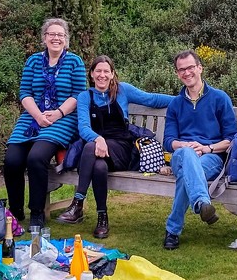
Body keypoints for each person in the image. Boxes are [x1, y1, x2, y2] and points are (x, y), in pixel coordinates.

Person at [56, 55, 174, 238]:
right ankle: (102, 218)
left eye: (106, 71)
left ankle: (78, 203)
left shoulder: (122, 90)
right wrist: (99, 139)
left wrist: (184, 98)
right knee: (98, 165)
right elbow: (84, 127)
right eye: (98, 71)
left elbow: (151, 99)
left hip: (121, 149)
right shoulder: (84, 97)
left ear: (112, 74)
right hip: (97, 151)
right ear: (92, 74)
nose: (102, 75)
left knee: (89, 148)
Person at [4, 18, 87, 229]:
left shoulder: (74, 62)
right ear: (44, 38)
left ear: (66, 39)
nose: (56, 38)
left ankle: (37, 212)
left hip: (63, 118)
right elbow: (25, 93)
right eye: (52, 34)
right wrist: (38, 115)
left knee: (36, 157)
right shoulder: (33, 61)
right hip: (32, 116)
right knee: (12, 160)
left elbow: (79, 94)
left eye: (60, 35)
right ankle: (15, 211)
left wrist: (58, 113)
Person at [161, 49, 237, 250]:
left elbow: (231, 139)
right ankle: (201, 202)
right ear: (177, 74)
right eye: (181, 70)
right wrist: (186, 146)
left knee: (188, 174)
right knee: (186, 156)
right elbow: (169, 141)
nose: (186, 73)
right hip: (180, 156)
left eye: (190, 67)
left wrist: (206, 148)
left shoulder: (220, 98)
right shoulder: (175, 104)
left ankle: (173, 230)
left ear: (200, 68)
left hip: (211, 157)